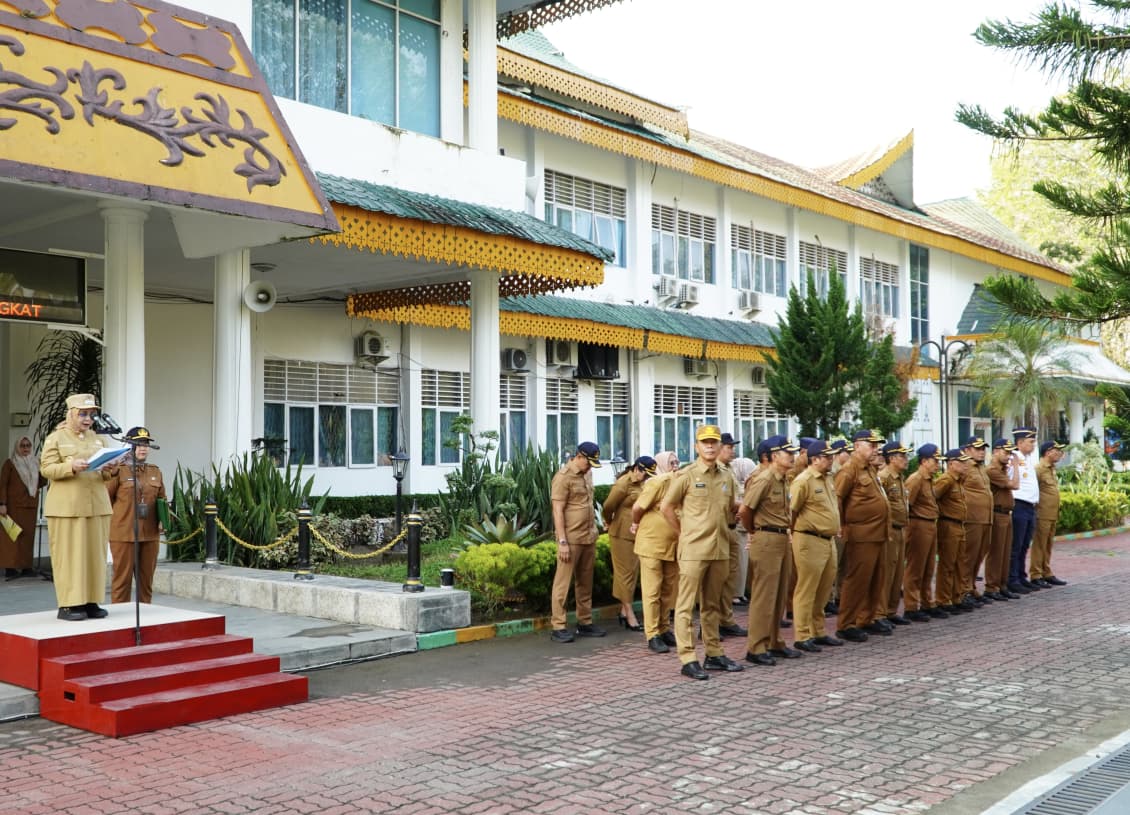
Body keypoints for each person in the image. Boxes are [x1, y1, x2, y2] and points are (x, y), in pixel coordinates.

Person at [661, 425, 744, 680]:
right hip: (694, 549)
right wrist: (682, 533)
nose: (709, 446)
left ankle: (714, 653)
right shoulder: (686, 475)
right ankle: (687, 658)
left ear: (719, 446)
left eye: (713, 442)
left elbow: (732, 507)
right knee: (685, 606)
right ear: (696, 446)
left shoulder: (727, 476)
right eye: (704, 442)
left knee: (712, 604)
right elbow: (666, 507)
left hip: (719, 548)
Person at [39, 394, 114, 621]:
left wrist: (111, 466)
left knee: (94, 556)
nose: (88, 419)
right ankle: (70, 604)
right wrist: (70, 466)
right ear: (71, 413)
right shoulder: (57, 438)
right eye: (83, 413)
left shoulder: (98, 439)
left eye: (91, 414)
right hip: (68, 508)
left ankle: (91, 601)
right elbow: (47, 469)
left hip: (97, 505)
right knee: (70, 556)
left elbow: (106, 474)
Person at [739, 434, 800, 666]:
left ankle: (774, 642)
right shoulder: (763, 479)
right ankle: (756, 647)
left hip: (782, 538)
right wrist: (753, 531)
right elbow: (745, 510)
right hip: (766, 537)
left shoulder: (784, 479)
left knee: (780, 594)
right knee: (764, 596)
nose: (793, 457)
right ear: (775, 456)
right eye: (789, 453)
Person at [834, 429, 890, 643]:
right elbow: (838, 499)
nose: (876, 449)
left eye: (877, 445)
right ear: (857, 446)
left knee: (876, 580)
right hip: (860, 535)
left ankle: (866, 619)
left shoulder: (870, 469)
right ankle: (846, 623)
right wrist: (841, 526)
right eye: (872, 445)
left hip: (877, 534)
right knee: (856, 580)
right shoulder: (849, 470)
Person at [789, 439, 843, 653]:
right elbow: (791, 510)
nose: (831, 460)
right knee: (807, 588)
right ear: (815, 459)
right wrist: (794, 534)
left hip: (827, 540)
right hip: (809, 538)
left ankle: (818, 630)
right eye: (827, 457)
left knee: (824, 587)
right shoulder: (803, 481)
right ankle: (802, 635)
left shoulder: (828, 478)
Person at [549, 441, 604, 643]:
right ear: (579, 456)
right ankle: (558, 625)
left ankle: (585, 622)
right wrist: (562, 541)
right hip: (570, 538)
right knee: (562, 583)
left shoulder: (587, 473)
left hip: (588, 536)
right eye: (588, 462)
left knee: (585, 582)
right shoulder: (563, 477)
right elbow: (558, 511)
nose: (589, 467)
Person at [106, 427, 167, 604]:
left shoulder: (155, 471)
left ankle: (145, 616)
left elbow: (162, 499)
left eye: (146, 444)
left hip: (149, 534)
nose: (143, 448)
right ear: (129, 446)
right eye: (138, 444)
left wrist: (165, 521)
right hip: (123, 533)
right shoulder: (118, 470)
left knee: (146, 581)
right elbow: (106, 499)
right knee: (121, 581)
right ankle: (120, 620)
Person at [632, 451, 680, 653]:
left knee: (669, 590)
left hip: (672, 544)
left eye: (678, 461)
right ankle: (652, 634)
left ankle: (664, 627)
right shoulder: (657, 482)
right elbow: (637, 507)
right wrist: (635, 523)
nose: (676, 465)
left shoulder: (682, 482)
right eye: (671, 462)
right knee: (652, 591)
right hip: (651, 544)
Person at [602, 455, 656, 630]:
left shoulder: (643, 483)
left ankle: (624, 610)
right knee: (625, 573)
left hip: (637, 533)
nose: (647, 477)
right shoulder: (623, 483)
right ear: (636, 469)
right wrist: (609, 521)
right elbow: (608, 506)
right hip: (621, 533)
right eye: (645, 474)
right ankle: (629, 614)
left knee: (631, 573)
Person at [714, 432, 748, 638]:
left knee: (730, 578)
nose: (732, 450)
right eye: (729, 447)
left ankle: (726, 619)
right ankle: (711, 624)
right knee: (715, 579)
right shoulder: (713, 471)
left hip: (732, 527)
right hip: (719, 529)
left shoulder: (729, 470)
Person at [904, 444, 942, 621]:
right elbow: (907, 506)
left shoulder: (928, 479)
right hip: (918, 525)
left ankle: (927, 602)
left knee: (928, 568)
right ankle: (911, 606)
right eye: (935, 461)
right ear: (924, 461)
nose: (938, 465)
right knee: (915, 568)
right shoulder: (916, 479)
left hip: (929, 525)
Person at [0, 436, 46, 579]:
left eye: (28, 446)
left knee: (28, 537)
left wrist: (42, 467)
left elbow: (42, 481)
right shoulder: (10, 463)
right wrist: (2, 504)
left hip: (30, 506)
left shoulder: (34, 462)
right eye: (22, 446)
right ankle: (11, 568)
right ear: (17, 447)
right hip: (13, 507)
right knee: (12, 536)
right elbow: (3, 485)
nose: (25, 449)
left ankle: (26, 567)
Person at [877, 441, 911, 627]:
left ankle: (891, 610)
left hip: (901, 529)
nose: (906, 460)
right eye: (902, 456)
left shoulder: (899, 477)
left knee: (898, 572)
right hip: (890, 529)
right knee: (887, 572)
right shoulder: (883, 477)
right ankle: (880, 612)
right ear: (891, 458)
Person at [935, 449, 972, 614]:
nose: (965, 465)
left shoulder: (958, 480)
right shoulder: (946, 480)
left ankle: (956, 597)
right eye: (961, 462)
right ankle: (944, 600)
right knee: (947, 564)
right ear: (951, 464)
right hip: (948, 525)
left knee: (959, 564)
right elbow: (932, 498)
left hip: (959, 525)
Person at [985, 438, 1020, 601]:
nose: (1009, 456)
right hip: (997, 514)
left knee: (1005, 552)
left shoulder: (1001, 469)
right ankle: (992, 586)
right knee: (997, 552)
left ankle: (1002, 585)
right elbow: (1015, 485)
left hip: (1006, 514)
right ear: (996, 451)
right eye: (1006, 452)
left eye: (1010, 453)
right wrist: (1015, 466)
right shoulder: (992, 470)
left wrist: (1009, 466)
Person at [960, 436, 993, 607]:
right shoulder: (964, 467)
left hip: (985, 519)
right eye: (977, 449)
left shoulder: (981, 468)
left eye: (983, 449)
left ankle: (971, 586)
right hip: (972, 519)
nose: (981, 452)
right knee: (968, 556)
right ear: (967, 450)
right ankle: (963, 590)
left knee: (979, 554)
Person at [1008, 427, 1040, 595]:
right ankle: (1012, 579)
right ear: (1019, 443)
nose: (1033, 445)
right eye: (1030, 442)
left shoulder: (1027, 459)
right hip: (1019, 505)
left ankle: (1021, 576)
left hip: (1030, 507)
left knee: (1024, 545)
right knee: (1016, 546)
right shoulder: (1013, 459)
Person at [1031, 440, 1067, 587]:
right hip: (1042, 513)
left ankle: (1046, 571)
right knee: (1039, 544)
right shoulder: (1038, 469)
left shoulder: (1051, 468)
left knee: (1047, 544)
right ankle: (1036, 574)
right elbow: (1034, 492)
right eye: (1056, 450)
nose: (1059, 453)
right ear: (1047, 452)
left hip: (1052, 513)